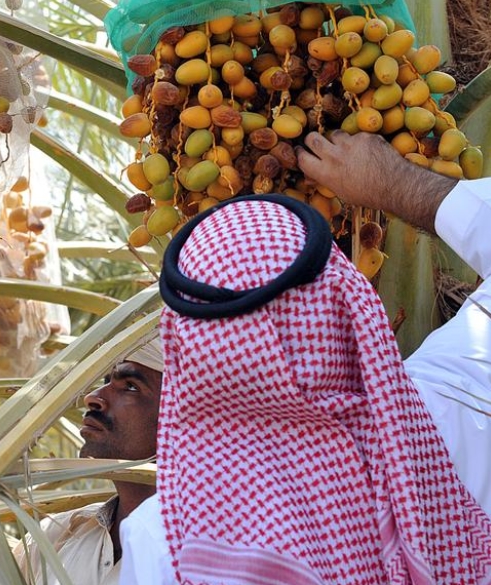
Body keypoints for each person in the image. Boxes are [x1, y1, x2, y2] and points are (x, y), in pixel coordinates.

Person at [118, 130, 491, 584]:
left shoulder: (166, 539)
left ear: (183, 344)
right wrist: (392, 181)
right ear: (350, 301)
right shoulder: (460, 410)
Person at [13, 337, 163, 585]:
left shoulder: (211, 560)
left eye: (130, 386)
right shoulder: (52, 539)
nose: (92, 398)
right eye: (105, 382)